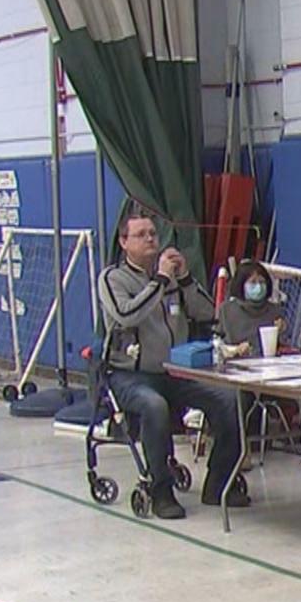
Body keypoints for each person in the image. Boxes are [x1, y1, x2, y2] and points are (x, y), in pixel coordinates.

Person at [98, 213, 248, 520]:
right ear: (124, 242)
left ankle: (219, 482)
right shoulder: (113, 279)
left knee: (230, 399)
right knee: (154, 406)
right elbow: (128, 315)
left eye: (153, 233)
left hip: (176, 371)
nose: (151, 239)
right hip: (131, 374)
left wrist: (186, 280)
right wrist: (161, 281)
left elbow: (209, 312)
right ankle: (160, 490)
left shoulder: (172, 278)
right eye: (141, 234)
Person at [216, 260, 286, 354]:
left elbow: (283, 346)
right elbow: (217, 344)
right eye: (253, 282)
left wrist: (282, 331)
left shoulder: (275, 311)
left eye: (262, 282)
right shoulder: (226, 311)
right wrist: (235, 350)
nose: (258, 287)